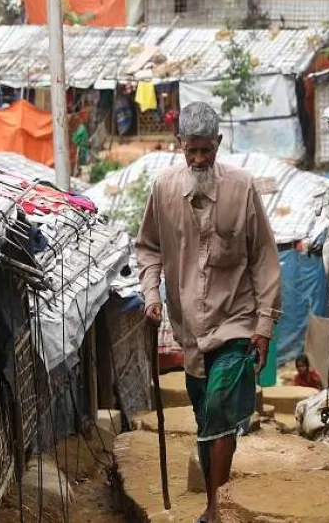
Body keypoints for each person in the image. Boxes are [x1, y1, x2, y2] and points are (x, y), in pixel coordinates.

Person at [136, 102, 282, 523]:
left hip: (236, 320)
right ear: (179, 145)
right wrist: (151, 295)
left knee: (219, 407)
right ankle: (222, 498)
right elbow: (148, 248)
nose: (199, 159)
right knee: (208, 420)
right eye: (191, 150)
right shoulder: (163, 189)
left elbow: (265, 259)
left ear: (218, 143)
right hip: (190, 330)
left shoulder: (242, 187)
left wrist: (265, 325)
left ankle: (215, 510)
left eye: (206, 150)